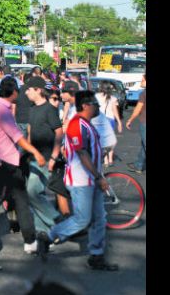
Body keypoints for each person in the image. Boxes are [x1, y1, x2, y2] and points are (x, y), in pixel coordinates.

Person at [37, 91, 119, 271]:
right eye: (95, 104)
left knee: (99, 218)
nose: (98, 107)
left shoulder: (87, 124)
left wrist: (98, 173)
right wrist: (98, 177)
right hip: (81, 181)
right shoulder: (76, 124)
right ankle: (49, 237)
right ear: (85, 106)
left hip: (92, 180)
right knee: (82, 219)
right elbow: (82, 153)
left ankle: (96, 256)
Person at [0, 77, 46, 254]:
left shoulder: (0, 108)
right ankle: (29, 241)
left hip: (1, 161)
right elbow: (18, 137)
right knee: (18, 202)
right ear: (13, 93)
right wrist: (36, 152)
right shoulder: (2, 111)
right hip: (6, 163)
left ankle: (29, 241)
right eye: (18, 91)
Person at [24, 76, 63, 235]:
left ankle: (55, 219)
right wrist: (27, 152)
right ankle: (43, 231)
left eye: (29, 89)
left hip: (46, 158)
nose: (26, 92)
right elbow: (30, 131)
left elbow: (59, 132)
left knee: (32, 192)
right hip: (34, 157)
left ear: (38, 90)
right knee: (36, 193)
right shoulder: (32, 109)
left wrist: (54, 157)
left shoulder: (49, 109)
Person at [95, 81, 123, 167]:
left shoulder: (96, 96)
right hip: (110, 120)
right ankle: (110, 159)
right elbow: (115, 110)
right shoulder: (113, 98)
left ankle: (105, 160)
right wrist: (119, 122)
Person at [126, 74, 146, 174]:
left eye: (142, 80)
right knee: (143, 145)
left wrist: (130, 120)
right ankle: (139, 165)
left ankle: (139, 165)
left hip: (145, 123)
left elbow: (138, 108)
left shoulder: (144, 93)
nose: (141, 81)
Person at [13, 71, 34, 137]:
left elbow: (13, 106)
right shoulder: (34, 91)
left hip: (20, 120)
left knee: (22, 141)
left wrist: (13, 120)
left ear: (23, 80)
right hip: (32, 120)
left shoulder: (18, 91)